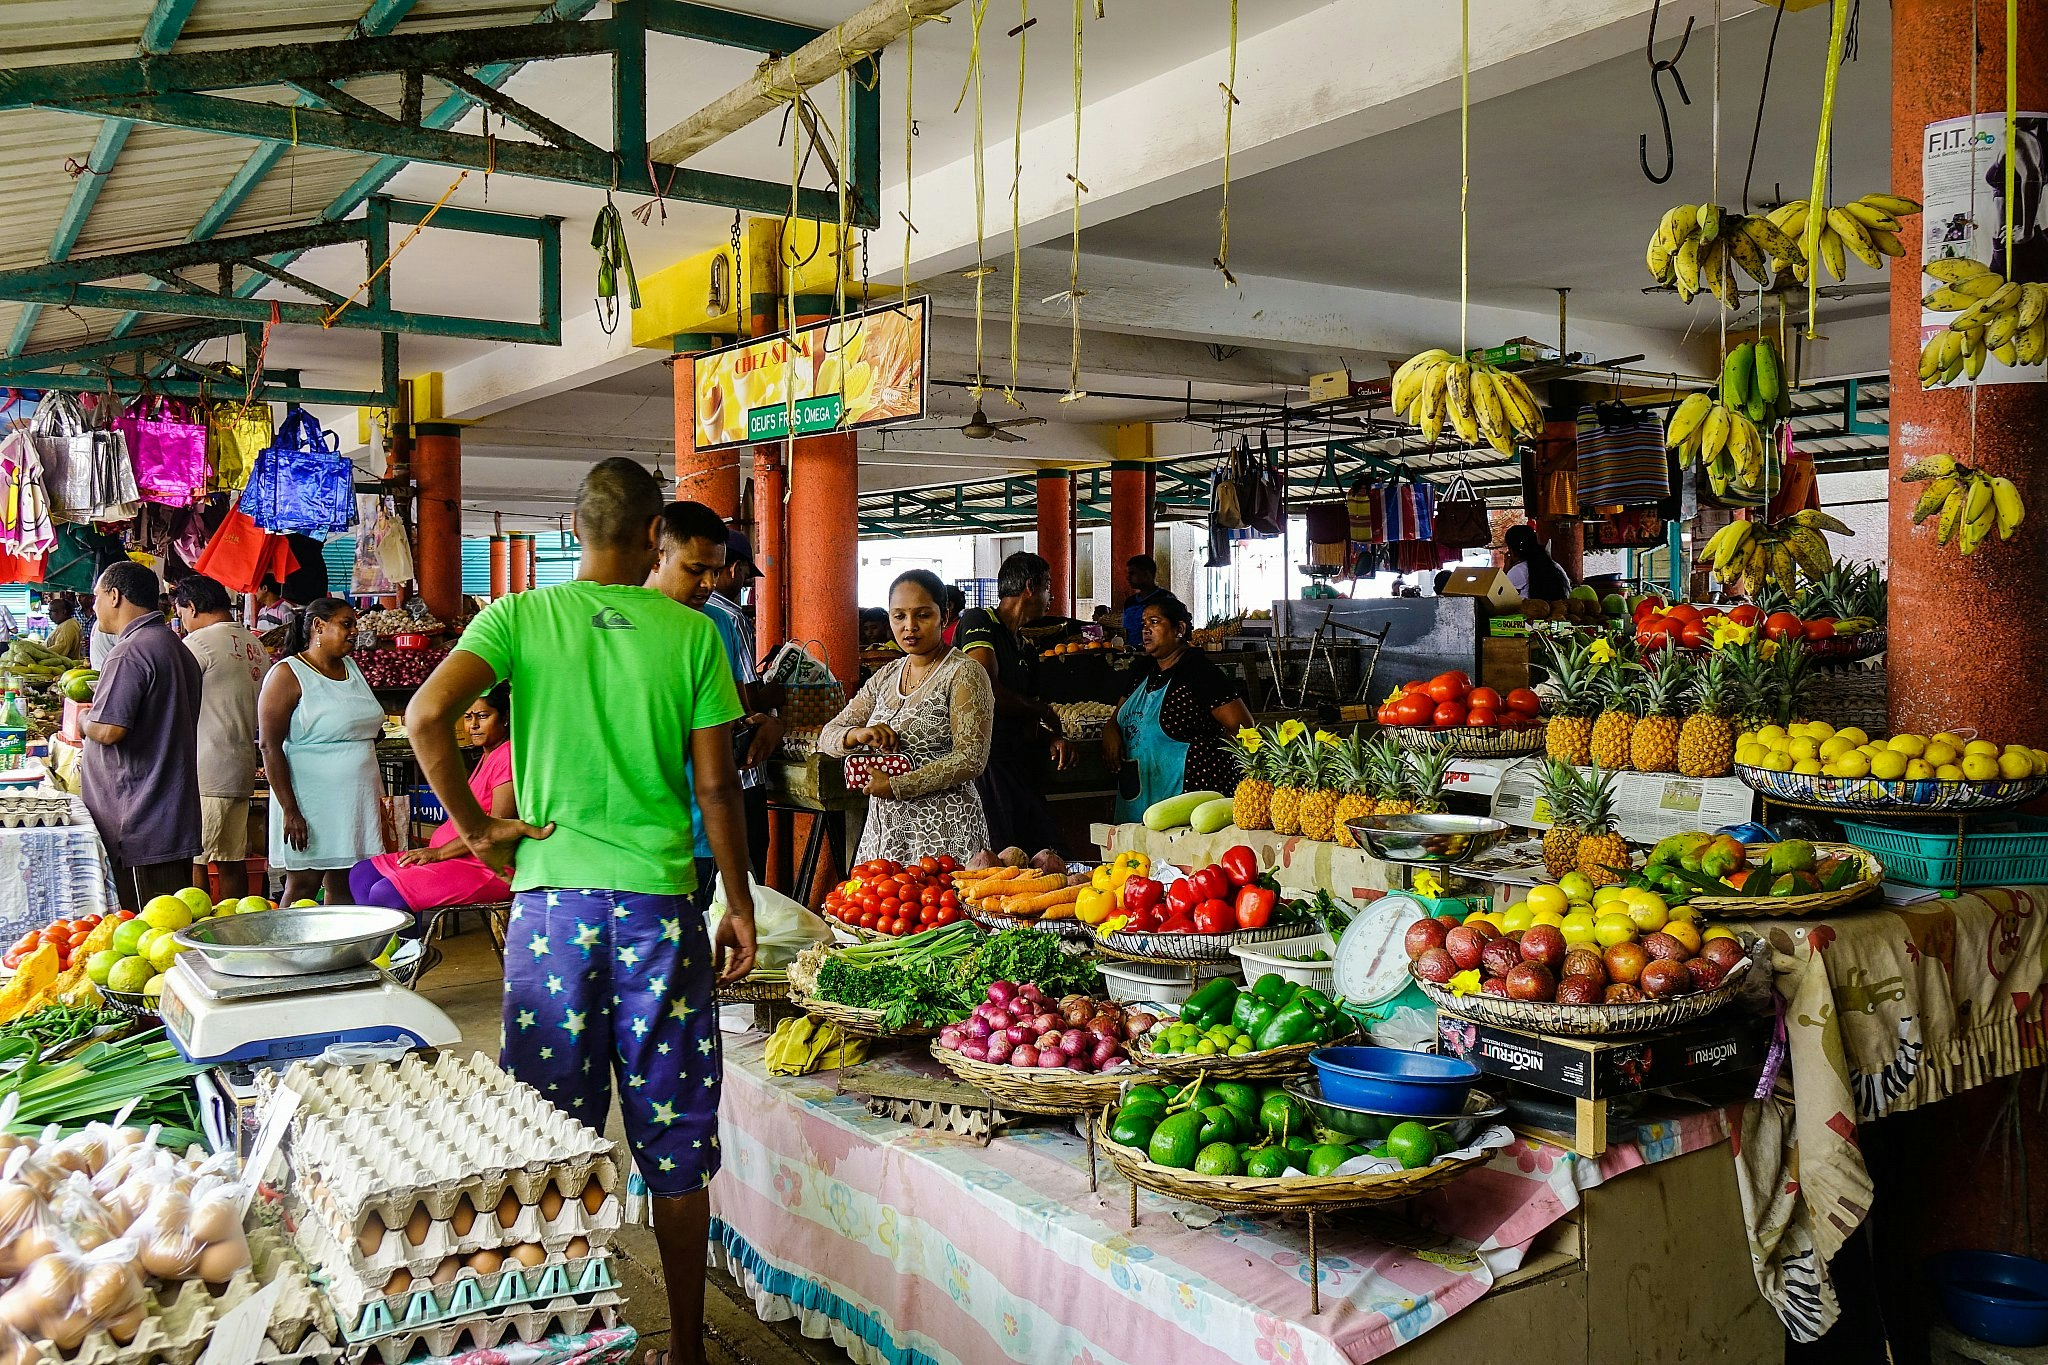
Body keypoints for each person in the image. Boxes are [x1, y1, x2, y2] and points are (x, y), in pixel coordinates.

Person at [404, 458, 754, 1365]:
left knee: (548, 1134)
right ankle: (685, 1348)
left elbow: (425, 715)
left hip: (550, 915)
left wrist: (477, 830)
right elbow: (716, 785)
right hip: (659, 914)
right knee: (673, 1142)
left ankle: (555, 1337)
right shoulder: (694, 635)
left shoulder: (519, 615)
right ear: (653, 538)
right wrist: (739, 900)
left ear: (571, 524)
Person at [647, 501, 780, 887]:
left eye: (716, 572)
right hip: (647, 836)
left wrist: (763, 725)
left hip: (710, 831)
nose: (708, 583)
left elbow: (736, 710)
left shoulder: (718, 622)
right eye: (695, 570)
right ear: (659, 557)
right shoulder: (621, 627)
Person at [821, 570, 992, 864]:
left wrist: (897, 785)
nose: (909, 627)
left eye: (922, 615)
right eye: (898, 616)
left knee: (943, 909)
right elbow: (829, 735)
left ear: (945, 614)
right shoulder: (887, 674)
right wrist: (858, 734)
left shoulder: (964, 673)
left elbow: (971, 758)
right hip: (886, 833)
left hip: (946, 831)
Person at [79, 562, 202, 909]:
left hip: (139, 821)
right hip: (165, 815)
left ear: (115, 596)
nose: (94, 605)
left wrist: (84, 720)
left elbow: (109, 729)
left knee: (147, 930)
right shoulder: (174, 646)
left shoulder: (131, 651)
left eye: (97, 596)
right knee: (166, 925)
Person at [349, 683, 515, 930]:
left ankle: (405, 959)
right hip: (454, 856)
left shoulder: (507, 756)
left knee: (386, 893)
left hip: (484, 866)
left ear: (504, 719)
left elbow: (495, 829)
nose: (473, 726)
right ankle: (385, 952)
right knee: (362, 874)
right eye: (468, 717)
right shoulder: (487, 755)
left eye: (482, 716)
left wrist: (438, 853)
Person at [259, 597, 386, 905]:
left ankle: (338, 952)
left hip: (354, 801)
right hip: (310, 803)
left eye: (354, 624)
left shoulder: (351, 668)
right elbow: (269, 746)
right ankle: (284, 951)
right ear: (319, 626)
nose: (355, 631)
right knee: (304, 883)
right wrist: (290, 811)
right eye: (346, 624)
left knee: (345, 884)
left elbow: (366, 724)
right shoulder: (288, 674)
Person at [958, 551, 1073, 855]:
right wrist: (1043, 711)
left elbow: (1027, 718)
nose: (1052, 596)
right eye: (1048, 585)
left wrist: (1051, 737)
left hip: (1019, 765)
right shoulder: (979, 620)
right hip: (987, 766)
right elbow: (985, 692)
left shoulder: (1027, 649)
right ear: (1029, 587)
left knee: (1044, 852)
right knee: (1000, 857)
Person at [1104, 594, 1254, 821]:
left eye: (1154, 622)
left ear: (1179, 629)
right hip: (1140, 790)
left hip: (1187, 793)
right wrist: (1110, 731)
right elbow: (1117, 717)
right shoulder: (1144, 670)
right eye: (1143, 624)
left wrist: (1209, 765)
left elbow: (1242, 728)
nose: (1146, 630)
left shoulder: (1199, 672)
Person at [173, 574, 268, 900]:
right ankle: (236, 923)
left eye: (182, 613)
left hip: (205, 767)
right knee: (231, 858)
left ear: (194, 606)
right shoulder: (255, 644)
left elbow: (175, 699)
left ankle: (195, 931)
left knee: (195, 859)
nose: (183, 622)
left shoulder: (197, 644)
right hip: (239, 764)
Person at [1504, 525, 1572, 600]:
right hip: (1559, 609)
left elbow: (1501, 598)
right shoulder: (1555, 565)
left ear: (1512, 551)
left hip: (1529, 611)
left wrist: (1505, 571)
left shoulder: (1517, 571)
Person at [1120, 555, 1168, 648]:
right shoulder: (1130, 602)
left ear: (1147, 574)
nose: (1128, 578)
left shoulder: (1165, 599)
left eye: (1132, 573)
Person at [43, 595, 82, 660]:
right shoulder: (65, 624)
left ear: (64, 612)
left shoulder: (69, 626)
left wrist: (38, 653)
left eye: (51, 611)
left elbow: (60, 649)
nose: (49, 614)